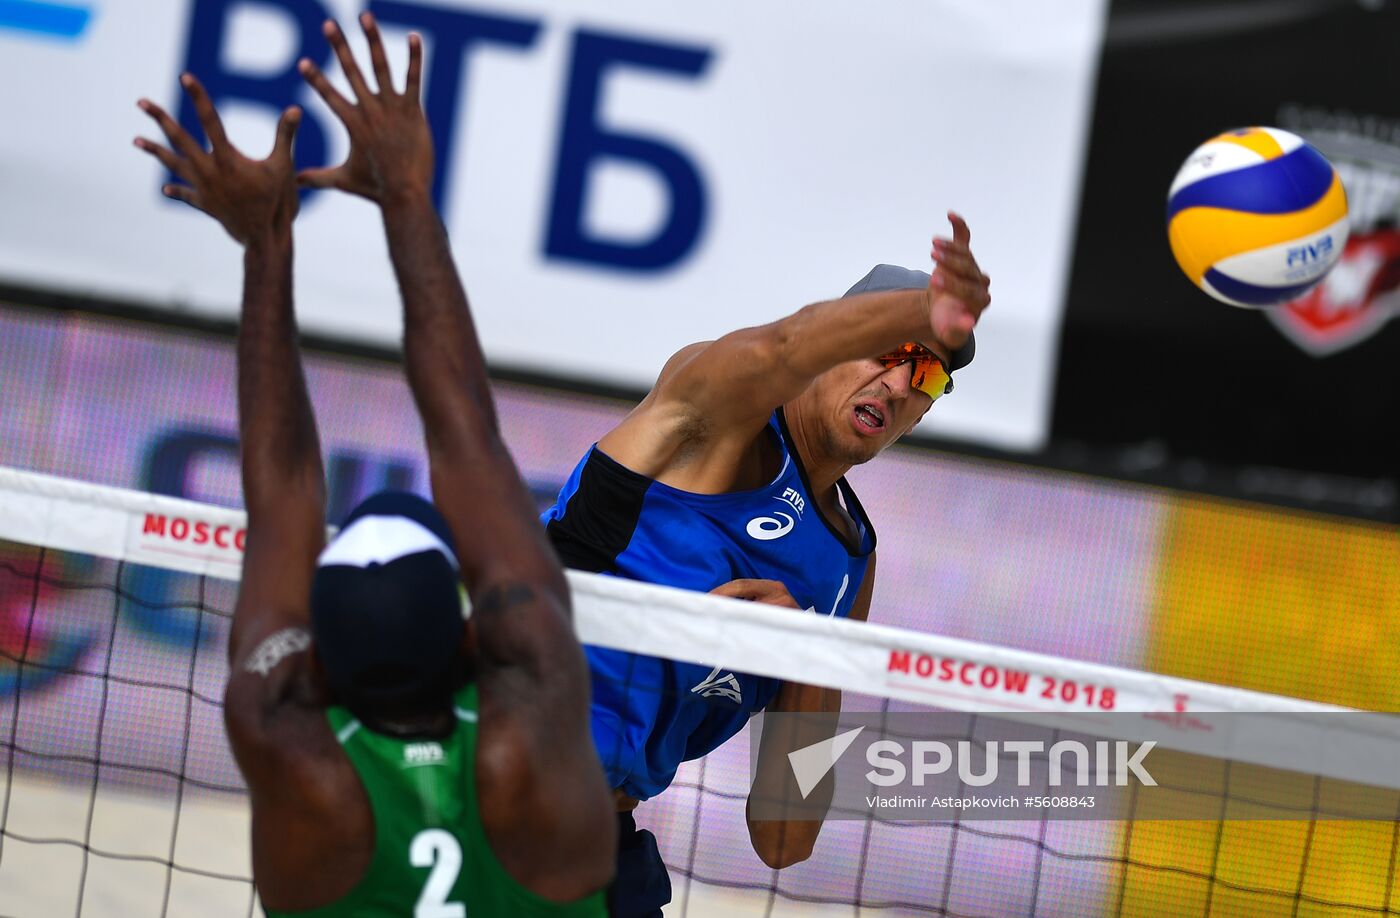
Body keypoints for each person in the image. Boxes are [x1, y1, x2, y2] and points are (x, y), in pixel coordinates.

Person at [134, 14, 616, 914]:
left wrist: (266, 244)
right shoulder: (538, 710)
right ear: (474, 640)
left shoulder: (290, 750)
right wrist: (406, 193)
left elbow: (282, 498)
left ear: (312, 665)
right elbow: (465, 433)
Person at [543, 212, 990, 913]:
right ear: (834, 345)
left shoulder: (848, 563)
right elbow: (784, 344)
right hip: (491, 762)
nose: (900, 383)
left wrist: (805, 651)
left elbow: (784, 835)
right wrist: (931, 308)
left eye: (927, 373)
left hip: (600, 836)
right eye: (887, 350)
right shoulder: (719, 415)